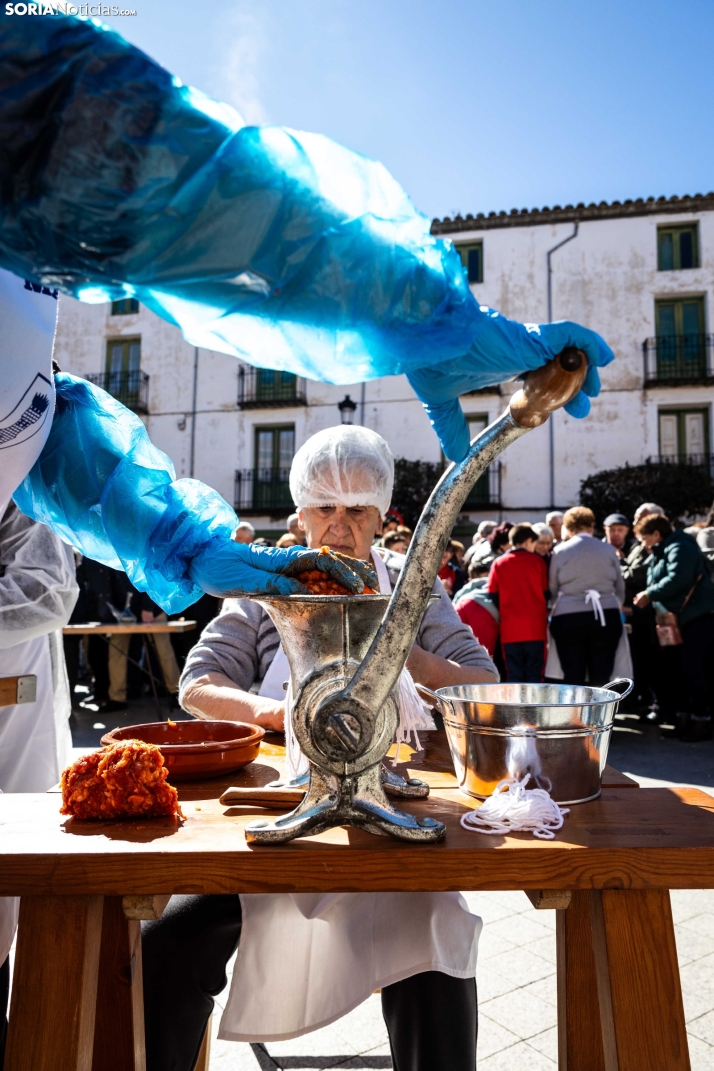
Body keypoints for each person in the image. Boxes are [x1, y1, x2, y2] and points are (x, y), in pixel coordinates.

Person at [144, 425, 498, 1071]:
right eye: (324, 507)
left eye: (358, 509)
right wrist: (284, 715)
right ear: (300, 514)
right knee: (165, 942)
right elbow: (199, 684)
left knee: (438, 940)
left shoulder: (414, 584)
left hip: (390, 812)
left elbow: (483, 681)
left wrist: (397, 644)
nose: (340, 525)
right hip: (278, 812)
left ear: (382, 516)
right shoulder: (264, 580)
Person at [633, 515, 714, 742]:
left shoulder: (681, 546)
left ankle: (701, 720)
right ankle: (684, 718)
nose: (643, 544)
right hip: (678, 620)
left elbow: (679, 578)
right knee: (679, 670)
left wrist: (649, 594)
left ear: (656, 534)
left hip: (696, 618)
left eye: (644, 538)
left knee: (693, 669)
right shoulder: (662, 550)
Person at [548, 507, 625, 686]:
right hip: (605, 615)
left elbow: (553, 587)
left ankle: (575, 705)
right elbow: (620, 586)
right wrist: (616, 605)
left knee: (573, 675)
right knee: (602, 676)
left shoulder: (560, 551)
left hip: (568, 617)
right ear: (592, 526)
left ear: (568, 527)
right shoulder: (608, 549)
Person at [486, 524, 548, 682]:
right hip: (535, 628)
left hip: (510, 629)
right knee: (535, 673)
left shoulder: (499, 563)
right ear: (528, 541)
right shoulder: (538, 561)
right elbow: (546, 592)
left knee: (514, 674)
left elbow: (492, 594)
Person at [454, 562, 500, 659]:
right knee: (484, 657)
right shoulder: (494, 582)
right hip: (483, 611)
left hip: (460, 604)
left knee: (457, 652)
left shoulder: (474, 584)